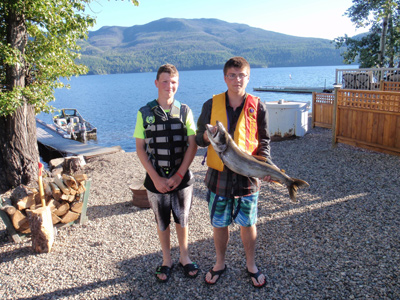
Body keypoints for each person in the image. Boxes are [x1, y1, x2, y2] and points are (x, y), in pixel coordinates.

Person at [195, 56, 272, 288]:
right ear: (225, 77)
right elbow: (199, 138)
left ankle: (251, 264)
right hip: (218, 178)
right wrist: (206, 136)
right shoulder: (210, 105)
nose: (237, 79)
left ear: (248, 77)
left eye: (241, 75)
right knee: (219, 223)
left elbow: (265, 141)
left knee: (248, 223)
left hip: (248, 177)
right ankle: (220, 263)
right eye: (232, 75)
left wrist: (265, 165)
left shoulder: (259, 106)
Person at [134, 64, 199, 283]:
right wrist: (155, 177)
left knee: (182, 219)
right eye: (164, 81)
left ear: (177, 84)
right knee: (162, 221)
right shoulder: (144, 113)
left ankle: (184, 256)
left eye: (173, 82)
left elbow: (192, 145)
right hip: (156, 179)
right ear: (156, 83)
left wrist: (179, 175)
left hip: (182, 179)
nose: (169, 86)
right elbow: (140, 148)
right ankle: (166, 259)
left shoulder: (185, 111)